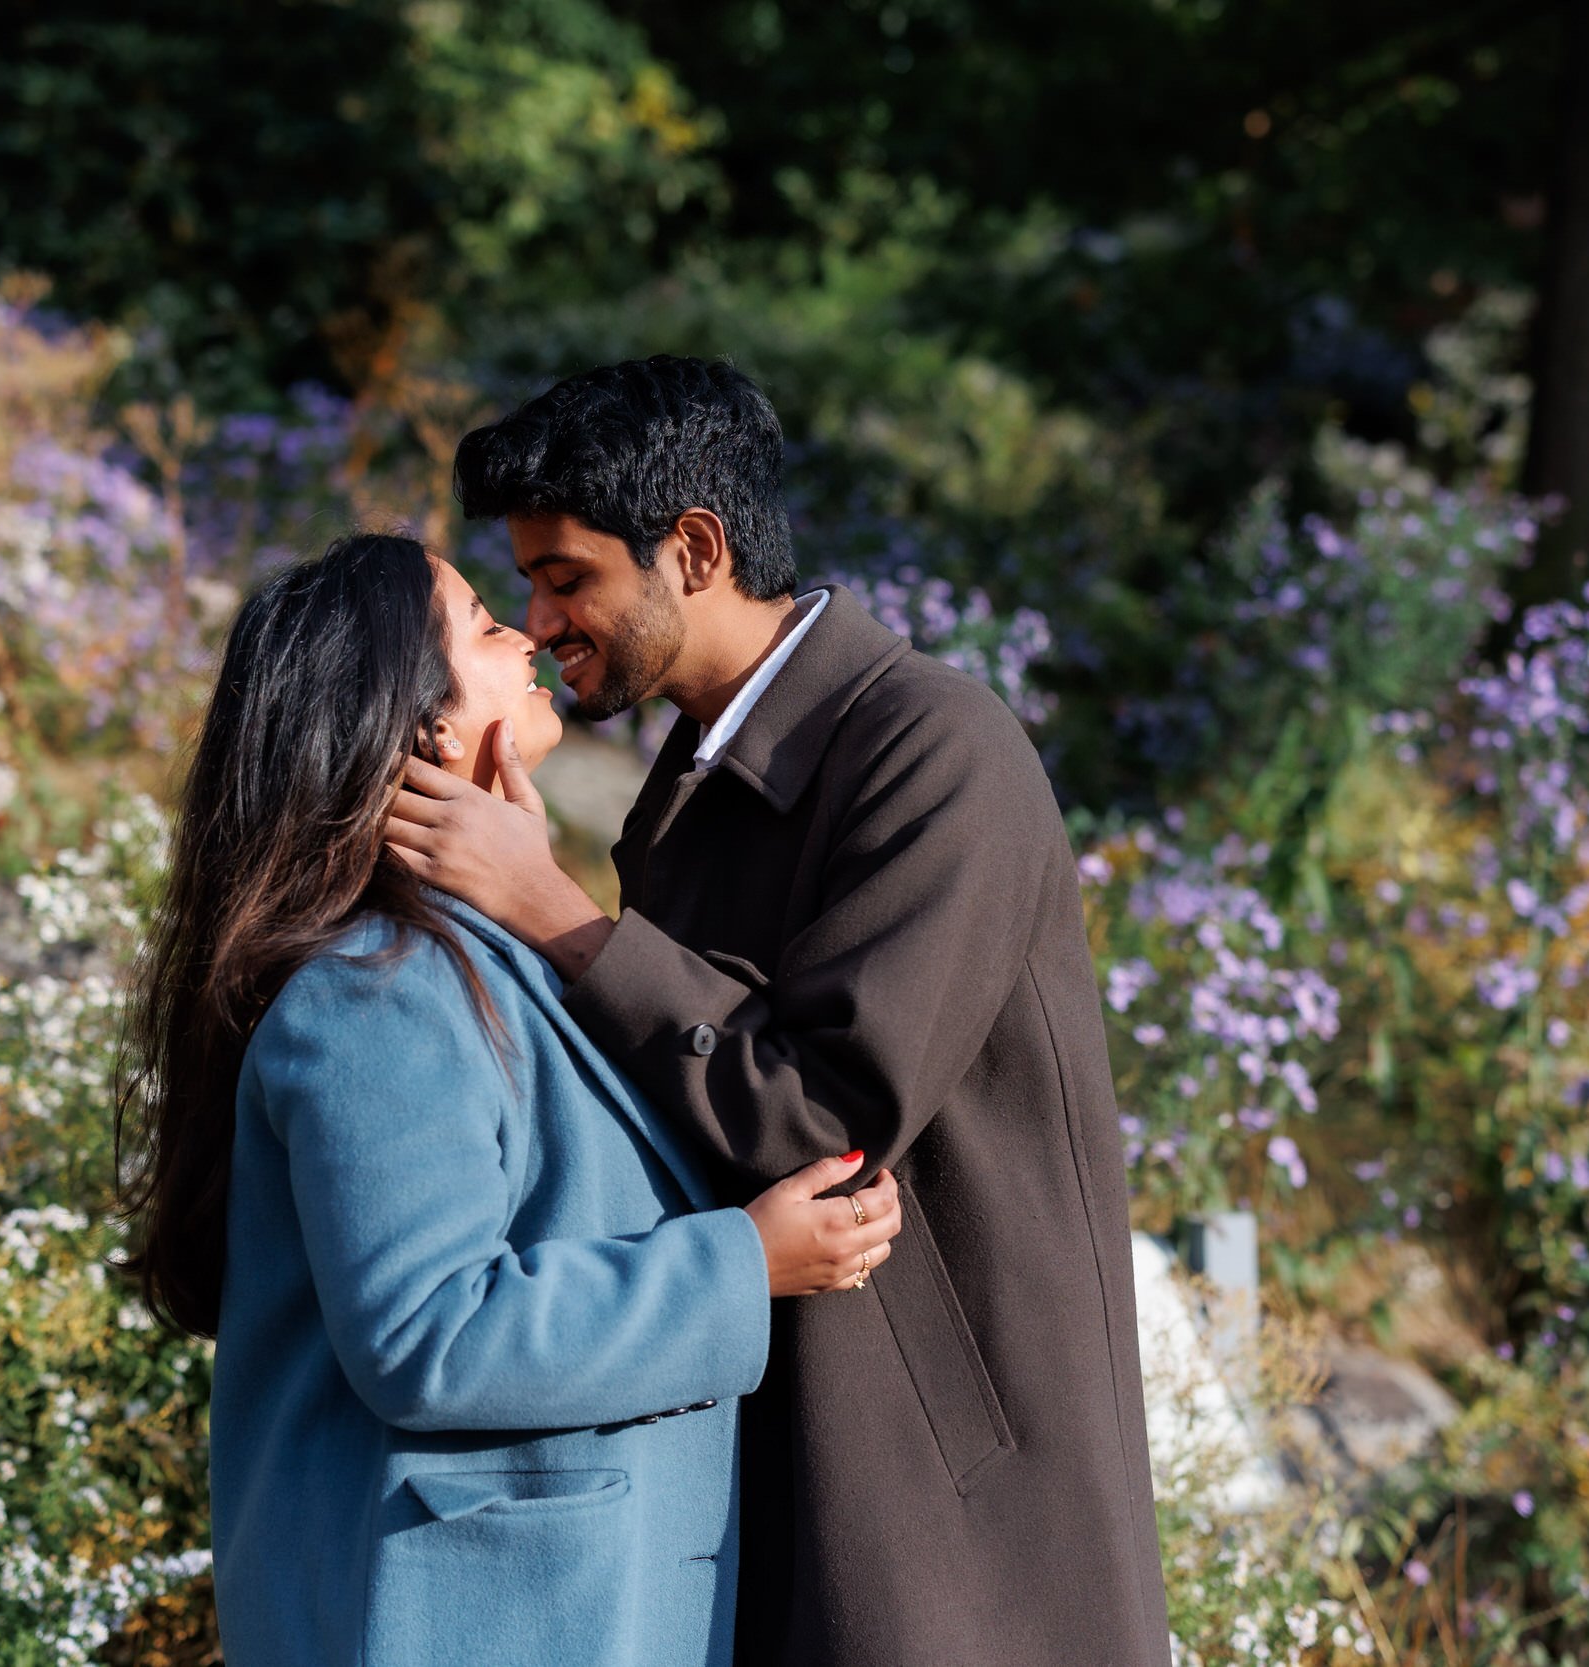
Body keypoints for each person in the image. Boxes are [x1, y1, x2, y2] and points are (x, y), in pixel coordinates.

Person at [386, 359, 1172, 1667]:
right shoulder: (688, 785)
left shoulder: (934, 750)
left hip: (956, 1524)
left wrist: (558, 913)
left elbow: (826, 1111)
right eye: (523, 582)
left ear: (693, 549)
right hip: (780, 1451)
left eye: (567, 576)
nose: (541, 620)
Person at [114, 532, 902, 1667]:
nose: (530, 631)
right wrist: (744, 1261)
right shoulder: (370, 994)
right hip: (460, 1615)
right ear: (427, 726)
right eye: (485, 623)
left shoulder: (471, 962)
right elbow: (429, 1331)